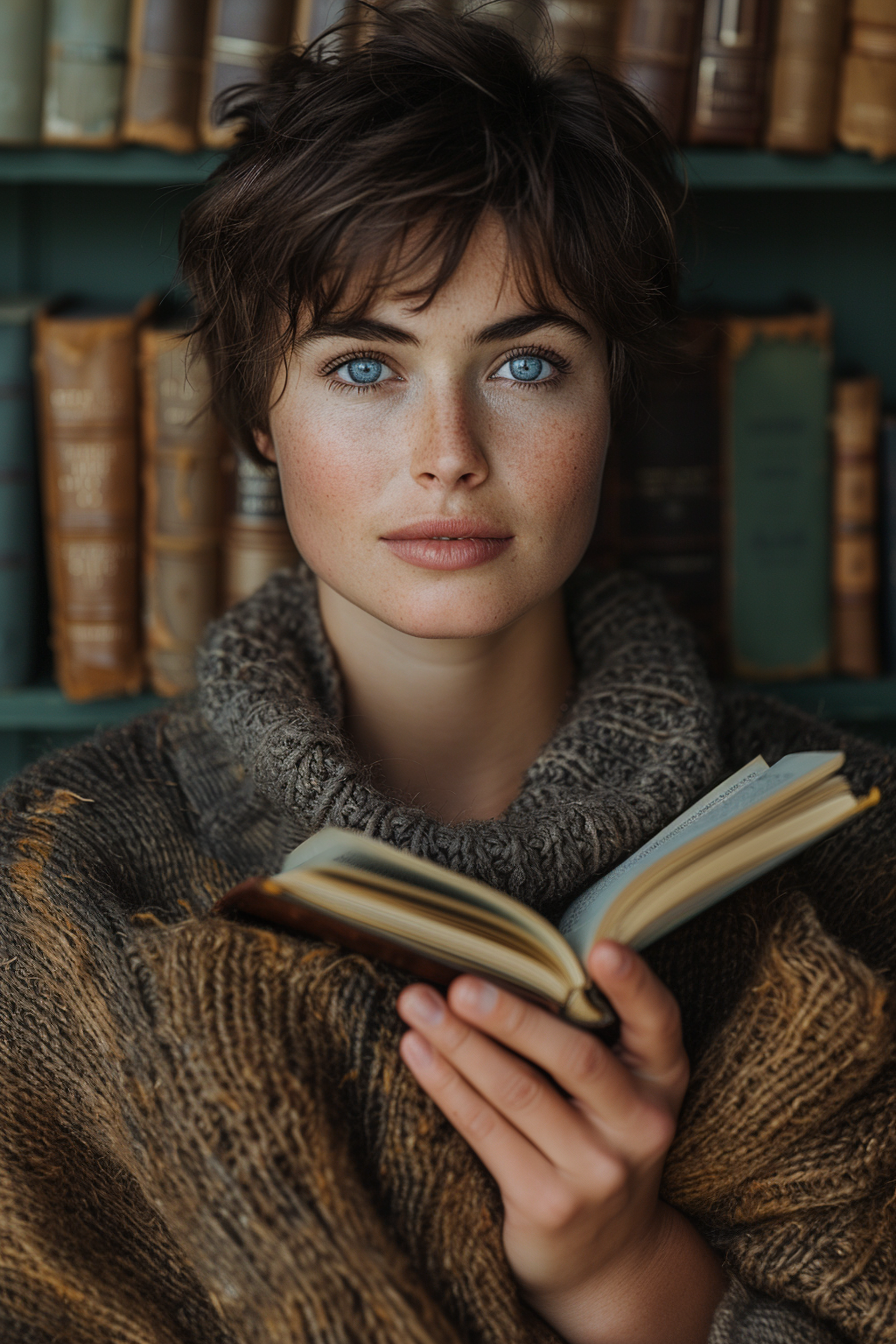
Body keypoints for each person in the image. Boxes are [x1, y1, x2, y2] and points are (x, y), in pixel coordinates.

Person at [1, 8, 894, 1344]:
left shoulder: (855, 847)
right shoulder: (47, 891)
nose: (449, 452)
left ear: (613, 402)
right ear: (259, 414)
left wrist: (628, 1278)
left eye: (527, 364)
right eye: (364, 365)